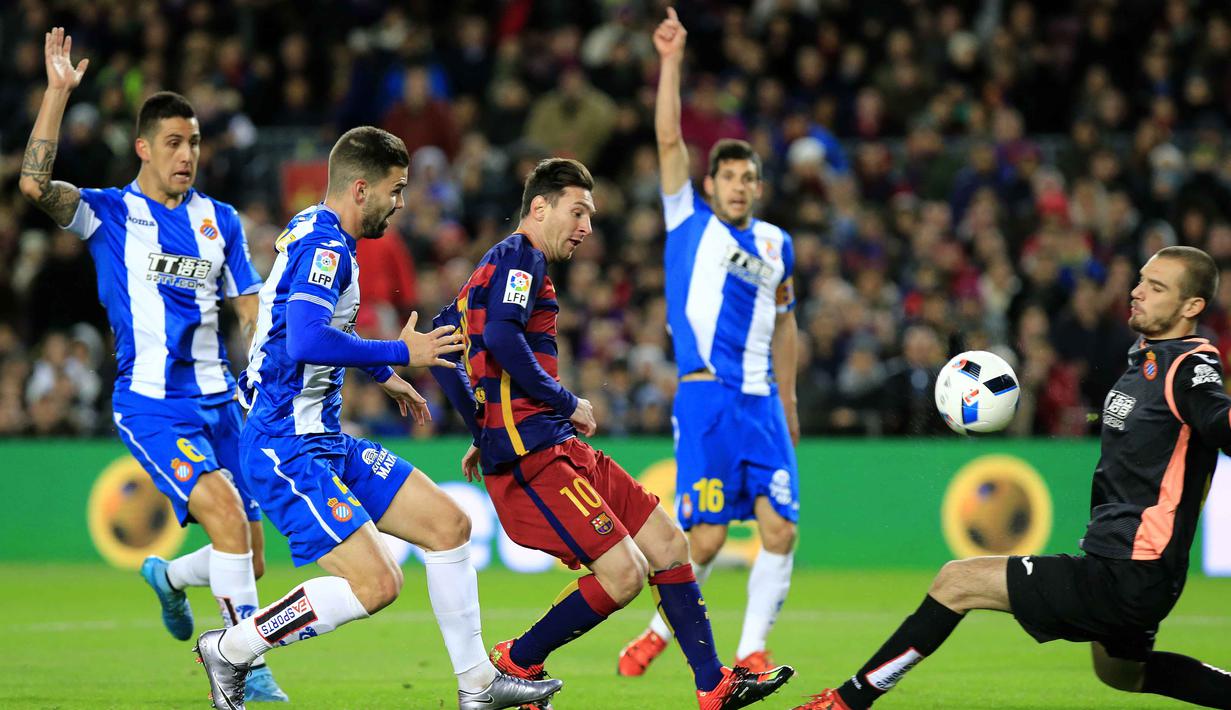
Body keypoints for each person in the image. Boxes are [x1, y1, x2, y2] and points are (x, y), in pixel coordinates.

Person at [193, 126, 562, 710]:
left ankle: (478, 686)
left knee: (448, 527)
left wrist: (382, 376)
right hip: (285, 445)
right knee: (378, 583)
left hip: (324, 436)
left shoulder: (321, 231)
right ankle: (232, 649)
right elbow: (307, 340)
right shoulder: (327, 247)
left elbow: (306, 331)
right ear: (361, 188)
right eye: (396, 190)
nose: (400, 203)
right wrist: (399, 353)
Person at [795, 246, 1231, 710]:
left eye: (1156, 287)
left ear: (1192, 307)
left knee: (956, 581)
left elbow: (1218, 422)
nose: (1137, 292)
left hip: (1129, 571)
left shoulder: (1189, 368)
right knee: (1122, 672)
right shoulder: (1149, 359)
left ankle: (847, 701)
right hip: (1131, 566)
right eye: (1142, 279)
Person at [430, 157, 795, 710]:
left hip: (554, 443)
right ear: (539, 207)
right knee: (623, 574)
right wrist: (564, 401)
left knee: (670, 544)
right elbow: (501, 339)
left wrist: (482, 427)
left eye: (591, 216)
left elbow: (438, 344)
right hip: (537, 453)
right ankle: (516, 661)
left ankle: (713, 684)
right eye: (578, 213)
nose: (586, 228)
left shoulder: (497, 266)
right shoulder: (520, 258)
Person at [18, 29, 288, 702]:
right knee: (226, 518)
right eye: (173, 142)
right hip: (151, 403)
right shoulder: (110, 214)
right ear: (143, 147)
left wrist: (276, 351)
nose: (187, 154)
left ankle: (168, 578)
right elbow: (33, 184)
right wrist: (56, 93)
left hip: (222, 401)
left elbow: (250, 304)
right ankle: (243, 670)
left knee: (250, 554)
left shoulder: (219, 221)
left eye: (194, 142)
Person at [618, 7, 801, 678]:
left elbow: (785, 322)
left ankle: (752, 650)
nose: (739, 186)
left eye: (749, 178)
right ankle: (654, 635)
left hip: (762, 404)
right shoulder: (687, 225)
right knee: (709, 536)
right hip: (707, 397)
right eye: (728, 177)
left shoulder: (779, 244)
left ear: (757, 185)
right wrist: (670, 60)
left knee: (780, 530)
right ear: (708, 184)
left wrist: (789, 399)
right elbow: (667, 139)